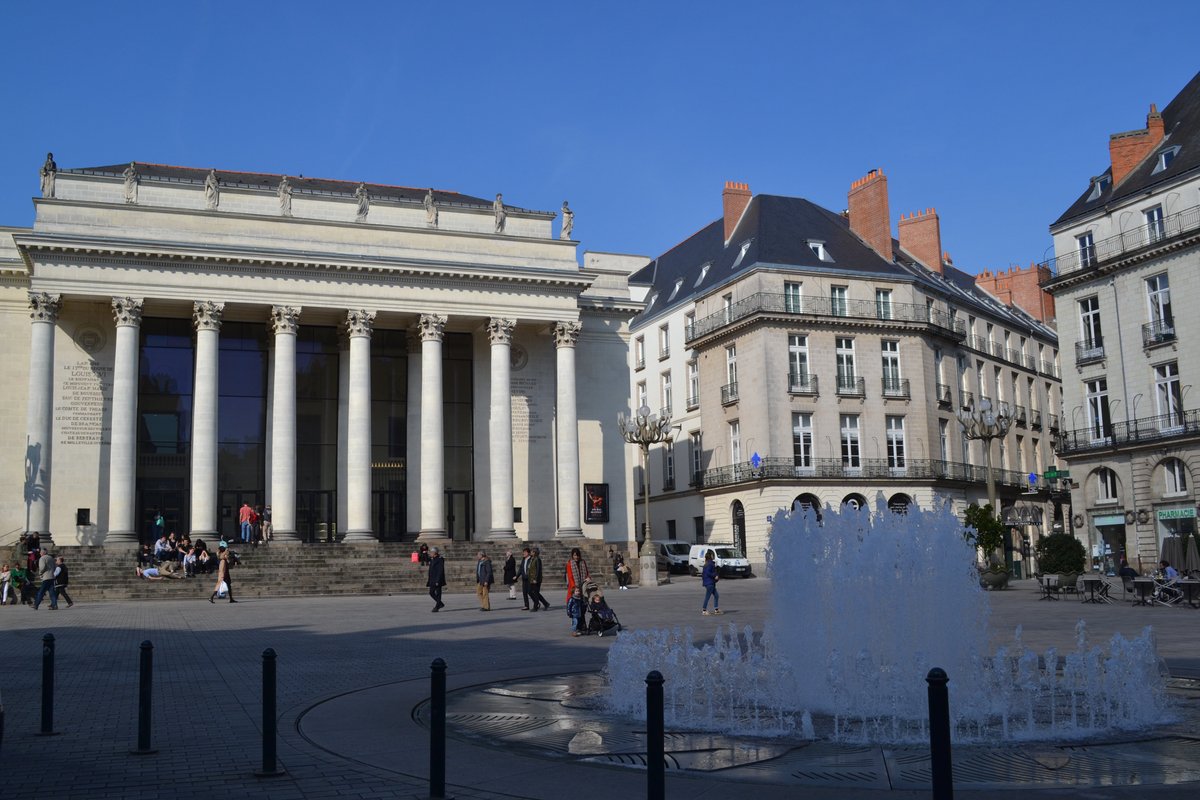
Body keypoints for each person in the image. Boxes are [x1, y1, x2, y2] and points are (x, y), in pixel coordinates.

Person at [526, 547, 549, 611]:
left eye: (532, 552)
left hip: (536, 579)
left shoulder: (537, 559)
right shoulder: (532, 559)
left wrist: (535, 579)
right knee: (530, 592)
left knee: (535, 593)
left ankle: (535, 606)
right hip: (531, 579)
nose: (530, 552)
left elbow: (538, 570)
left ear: (534, 553)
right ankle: (545, 603)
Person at [701, 550, 722, 615]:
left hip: (709, 582)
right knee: (707, 596)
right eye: (712, 555)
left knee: (716, 595)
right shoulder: (710, 564)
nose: (713, 556)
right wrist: (715, 576)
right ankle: (704, 610)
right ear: (710, 556)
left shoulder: (707, 563)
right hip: (709, 583)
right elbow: (708, 572)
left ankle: (716, 609)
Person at [427, 547, 446, 611]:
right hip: (432, 579)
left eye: (431, 552)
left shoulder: (439, 560)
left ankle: (437, 606)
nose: (430, 553)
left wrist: (438, 580)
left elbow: (440, 571)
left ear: (434, 553)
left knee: (438, 593)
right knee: (431, 592)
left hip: (437, 579)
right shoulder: (432, 559)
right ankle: (440, 603)